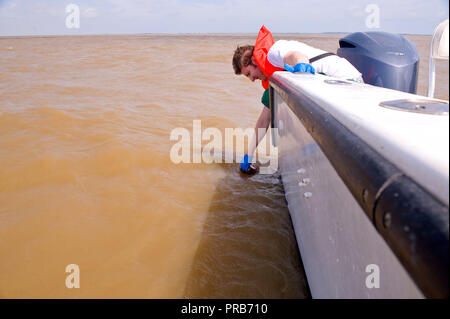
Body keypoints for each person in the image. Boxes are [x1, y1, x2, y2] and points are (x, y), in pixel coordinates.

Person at [232, 25, 363, 174]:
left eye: (249, 73)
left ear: (255, 61)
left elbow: (296, 56)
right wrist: (249, 153)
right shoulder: (275, 79)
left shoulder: (274, 52)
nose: (251, 79)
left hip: (346, 81)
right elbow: (263, 120)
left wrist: (302, 68)